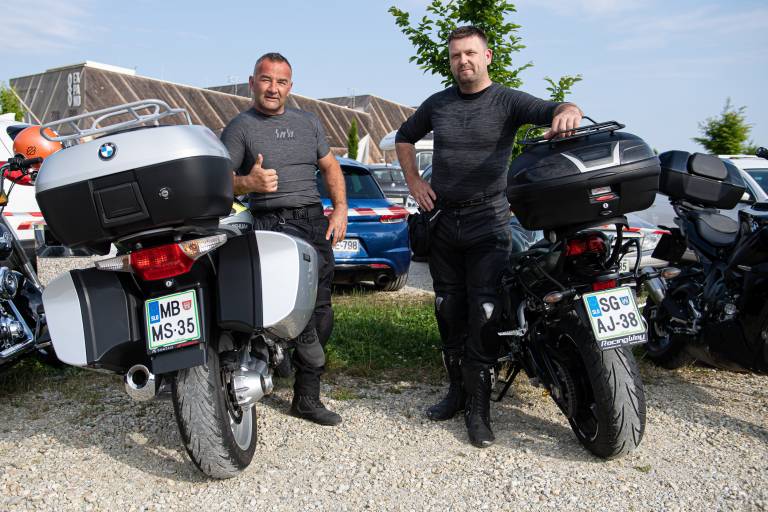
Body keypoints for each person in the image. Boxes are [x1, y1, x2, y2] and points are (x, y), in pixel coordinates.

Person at [395, 26, 583, 447]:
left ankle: (479, 410)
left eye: (470, 53)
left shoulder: (507, 100)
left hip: (489, 223)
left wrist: (569, 110)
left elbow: (555, 107)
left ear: (487, 56)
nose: (463, 61)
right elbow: (404, 137)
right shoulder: (438, 103)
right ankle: (456, 394)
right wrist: (413, 182)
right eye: (456, 55)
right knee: (448, 311)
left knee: (483, 313)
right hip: (444, 222)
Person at [220, 52, 348, 426]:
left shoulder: (308, 122)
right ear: (252, 83)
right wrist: (248, 182)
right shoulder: (239, 128)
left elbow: (330, 166)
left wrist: (340, 208)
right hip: (271, 223)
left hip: (313, 221)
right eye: (266, 79)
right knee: (290, 310)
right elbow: (219, 180)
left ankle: (305, 398)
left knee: (321, 311)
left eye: (281, 81)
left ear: (291, 86)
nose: (273, 88)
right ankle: (288, 353)